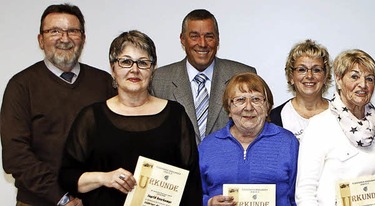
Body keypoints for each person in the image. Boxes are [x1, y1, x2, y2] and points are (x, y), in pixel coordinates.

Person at [58, 30, 201, 205]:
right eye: (126, 62)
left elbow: (192, 182)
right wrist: (105, 178)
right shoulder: (91, 117)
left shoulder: (175, 115)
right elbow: (67, 177)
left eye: (143, 63)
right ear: (113, 68)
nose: (135, 70)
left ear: (153, 69)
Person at [1, 4, 115, 205]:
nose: (65, 38)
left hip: (95, 200)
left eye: (73, 31)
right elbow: (15, 155)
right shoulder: (21, 86)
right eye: (55, 31)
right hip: (38, 201)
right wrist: (61, 198)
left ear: (83, 38)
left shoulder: (104, 82)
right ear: (40, 40)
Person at [296, 49, 375, 205]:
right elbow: (305, 192)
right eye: (355, 77)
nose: (363, 85)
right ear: (339, 80)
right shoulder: (320, 126)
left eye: (370, 79)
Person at [151, 9, 256, 144]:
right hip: (177, 165)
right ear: (183, 39)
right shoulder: (158, 80)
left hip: (228, 163)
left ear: (217, 39)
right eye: (194, 36)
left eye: (209, 36)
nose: (202, 43)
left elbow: (255, 129)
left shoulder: (243, 75)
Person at [199, 73, 298, 206]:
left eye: (256, 99)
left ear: (268, 107)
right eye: (240, 100)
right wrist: (208, 203)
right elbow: (192, 195)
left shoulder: (288, 142)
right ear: (229, 108)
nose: (249, 107)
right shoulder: (208, 146)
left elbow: (299, 195)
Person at [269, 39, 332, 138]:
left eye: (317, 70)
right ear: (291, 76)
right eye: (302, 70)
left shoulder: (341, 114)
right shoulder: (273, 119)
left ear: (325, 76)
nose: (309, 76)